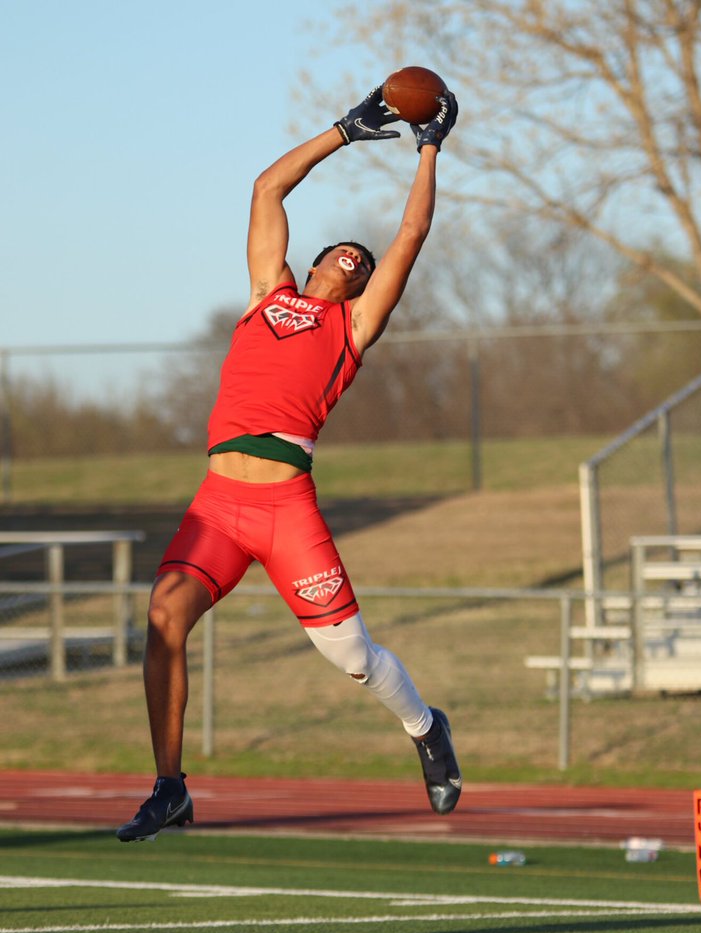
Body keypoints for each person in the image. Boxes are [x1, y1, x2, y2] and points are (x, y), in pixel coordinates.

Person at [117, 83, 462, 843]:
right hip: (216, 503)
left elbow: (412, 231)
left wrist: (429, 146)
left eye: (362, 263)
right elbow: (267, 186)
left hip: (283, 510)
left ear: (362, 285)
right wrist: (348, 129)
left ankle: (424, 726)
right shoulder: (265, 294)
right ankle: (169, 787)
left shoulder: (353, 325)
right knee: (164, 614)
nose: (356, 256)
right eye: (345, 251)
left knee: (352, 659)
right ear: (313, 262)